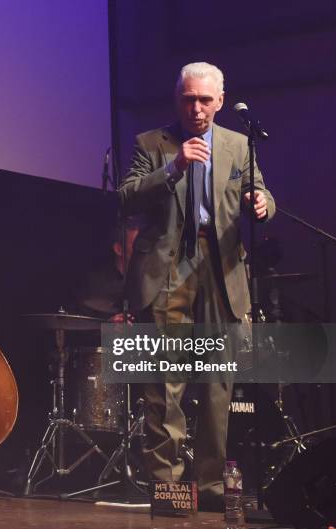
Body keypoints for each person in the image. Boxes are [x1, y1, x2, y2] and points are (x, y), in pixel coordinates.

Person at [118, 62, 275, 508]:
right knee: (164, 384)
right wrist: (173, 168)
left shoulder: (239, 144)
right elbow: (125, 196)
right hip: (169, 268)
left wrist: (261, 203)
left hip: (221, 267)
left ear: (220, 102)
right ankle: (169, 488)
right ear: (178, 99)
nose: (197, 108)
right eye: (189, 99)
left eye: (206, 100)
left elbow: (261, 191)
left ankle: (209, 488)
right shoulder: (152, 143)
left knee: (216, 384)